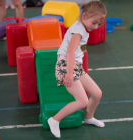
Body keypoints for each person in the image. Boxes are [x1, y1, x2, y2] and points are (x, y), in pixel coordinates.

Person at [47, 0, 107, 138]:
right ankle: (54, 120)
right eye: (94, 23)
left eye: (99, 24)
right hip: (66, 65)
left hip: (75, 66)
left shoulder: (84, 27)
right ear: (84, 16)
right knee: (82, 101)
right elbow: (70, 51)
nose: (96, 27)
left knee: (97, 93)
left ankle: (88, 117)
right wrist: (68, 73)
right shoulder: (78, 31)